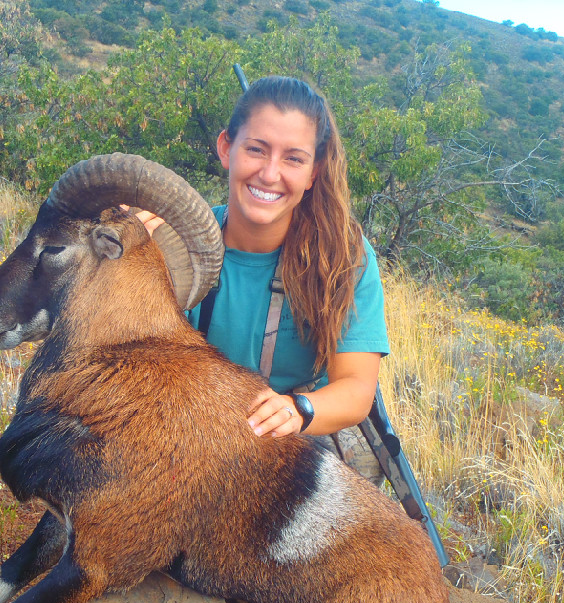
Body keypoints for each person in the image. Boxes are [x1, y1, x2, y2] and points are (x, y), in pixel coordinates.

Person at [139, 75, 389, 471]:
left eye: (293, 158)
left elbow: (356, 389)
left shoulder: (345, 257)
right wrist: (127, 252)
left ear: (313, 173)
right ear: (226, 148)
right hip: (184, 425)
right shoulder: (172, 243)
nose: (270, 174)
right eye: (256, 149)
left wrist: (297, 410)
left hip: (292, 434)